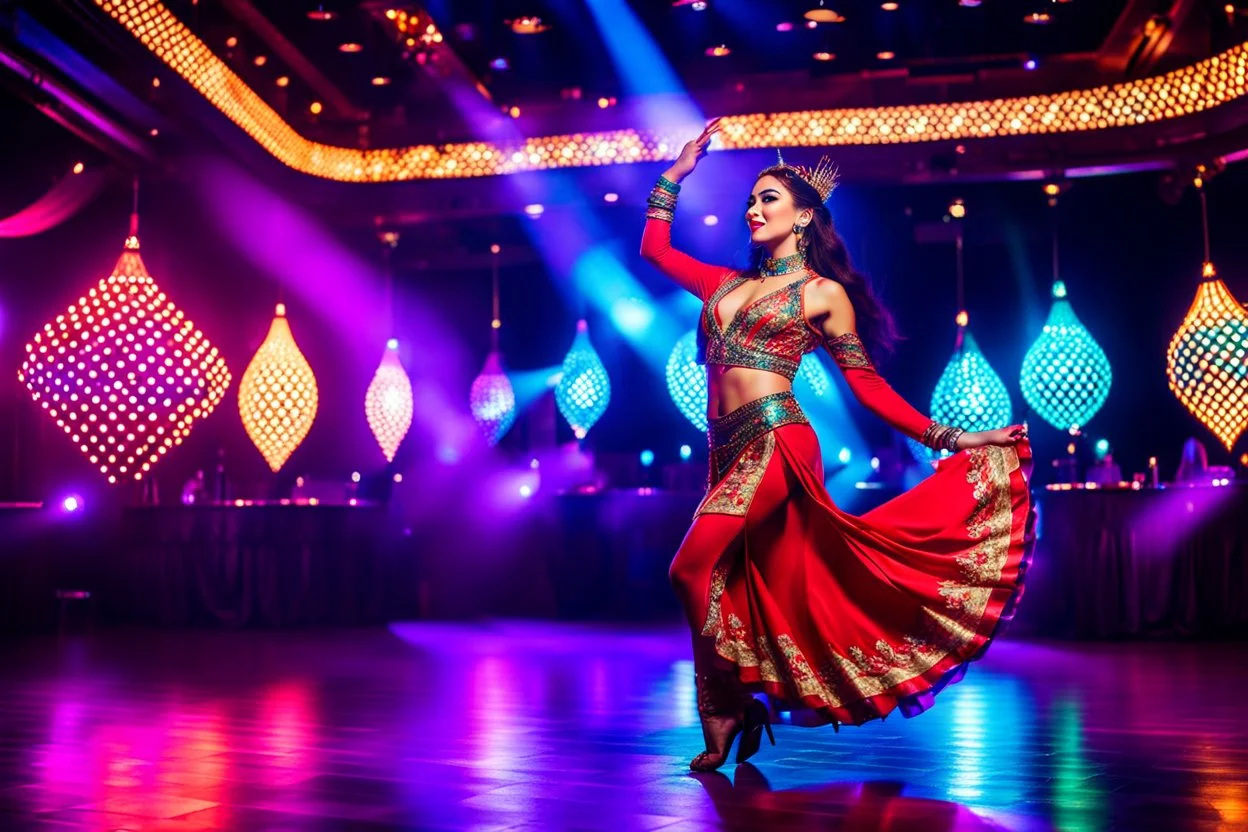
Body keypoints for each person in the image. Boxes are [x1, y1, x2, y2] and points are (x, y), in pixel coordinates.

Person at [641, 119, 1034, 772]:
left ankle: (726, 702)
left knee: (688, 568)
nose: (753, 208)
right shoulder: (724, 284)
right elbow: (655, 252)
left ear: (803, 218)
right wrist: (674, 176)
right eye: (751, 199)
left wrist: (954, 436)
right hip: (724, 447)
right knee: (736, 583)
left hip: (776, 438)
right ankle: (735, 703)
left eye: (769, 198)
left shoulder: (823, 294)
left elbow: (869, 388)